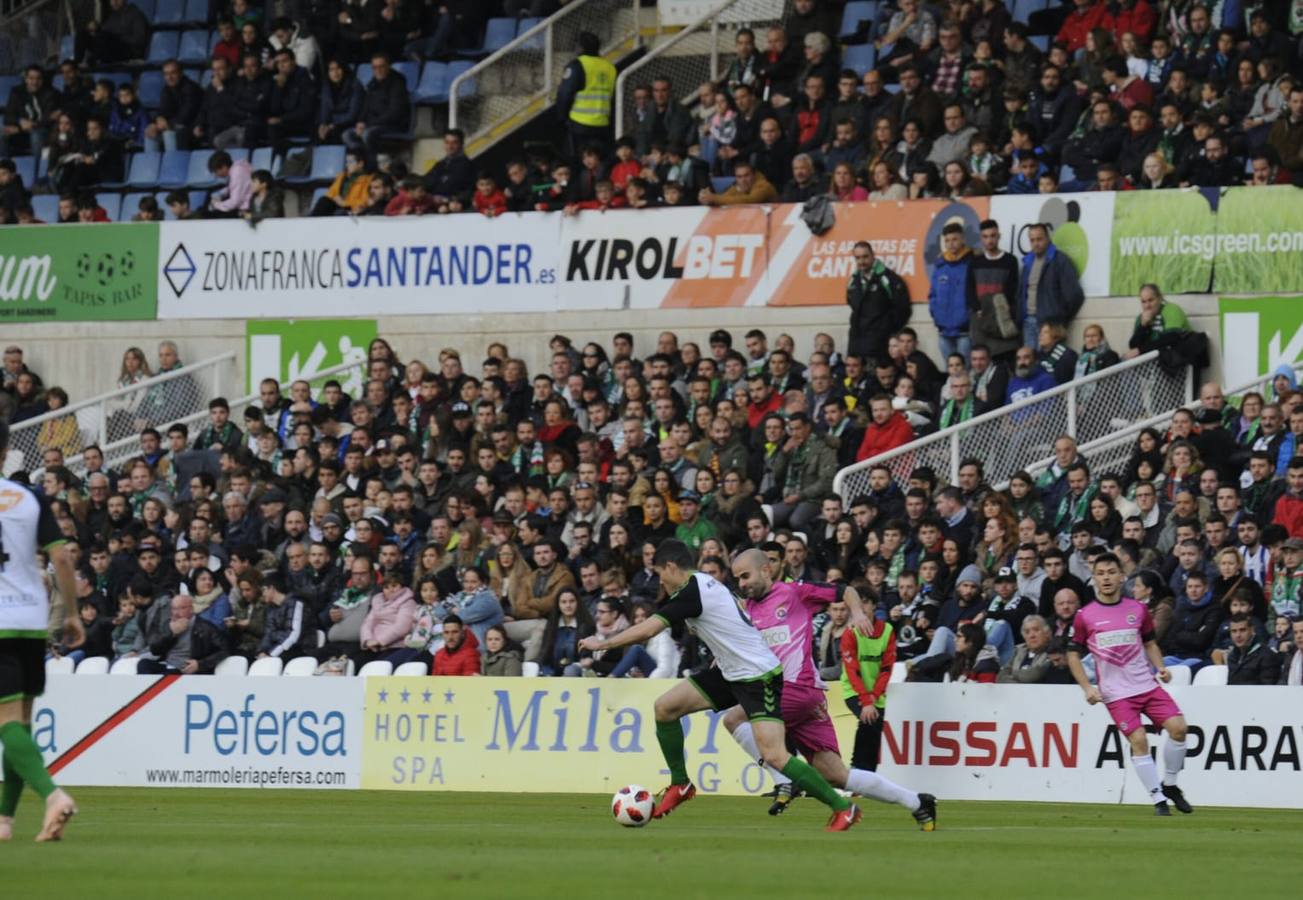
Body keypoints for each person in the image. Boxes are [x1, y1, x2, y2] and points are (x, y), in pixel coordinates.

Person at [578, 540, 864, 831]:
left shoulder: (694, 592)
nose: (661, 584)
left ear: (671, 567)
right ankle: (681, 785)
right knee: (665, 708)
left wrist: (604, 643)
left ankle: (843, 807)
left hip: (758, 676)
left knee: (775, 755)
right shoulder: (702, 585)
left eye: (661, 576)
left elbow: (649, 630)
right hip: (730, 672)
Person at [720, 550, 936, 825]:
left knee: (734, 718)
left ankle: (782, 781)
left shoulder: (795, 593)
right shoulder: (747, 611)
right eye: (737, 578)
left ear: (766, 570)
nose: (742, 583)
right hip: (806, 701)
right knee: (837, 775)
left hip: (797, 687)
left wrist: (857, 613)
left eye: (746, 576)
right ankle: (917, 802)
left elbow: (845, 591)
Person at [0, 421, 82, 842]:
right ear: (6, 449)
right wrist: (71, 613)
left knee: (6, 724)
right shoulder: (30, 498)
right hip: (31, 623)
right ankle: (5, 821)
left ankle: (53, 795)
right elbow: (63, 559)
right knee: (21, 724)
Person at [1067, 553, 1193, 816]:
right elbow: (1072, 654)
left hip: (1147, 686)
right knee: (1139, 739)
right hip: (1117, 695)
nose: (1106, 578)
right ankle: (1158, 799)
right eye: (1101, 573)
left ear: (1122, 576)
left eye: (1111, 572)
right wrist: (1087, 688)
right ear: (1095, 578)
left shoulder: (1137, 610)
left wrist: (1160, 667)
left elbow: (1149, 642)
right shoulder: (1085, 616)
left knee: (1179, 729)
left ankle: (1170, 784)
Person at [1017, 223, 1084, 350]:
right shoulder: (1027, 262)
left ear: (1047, 238)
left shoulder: (1060, 260)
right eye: (1032, 240)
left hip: (1050, 324)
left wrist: (1060, 318)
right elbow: (1021, 293)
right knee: (1031, 363)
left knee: (1049, 363)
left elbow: (1075, 295)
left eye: (1039, 239)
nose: (1036, 243)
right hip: (1028, 322)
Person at [846, 241, 911, 367]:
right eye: (858, 258)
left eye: (865, 256)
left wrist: (886, 328)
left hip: (880, 346)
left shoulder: (887, 278)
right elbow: (851, 304)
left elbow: (903, 308)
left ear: (873, 256)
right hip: (857, 346)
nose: (862, 261)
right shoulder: (853, 281)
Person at [556, 31, 615, 159]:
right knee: (598, 160)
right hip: (602, 124)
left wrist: (562, 117)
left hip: (580, 124)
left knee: (579, 160)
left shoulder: (577, 65)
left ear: (580, 47)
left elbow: (564, 94)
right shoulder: (610, 67)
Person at [927, 222, 974, 362]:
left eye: (955, 239)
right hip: (943, 331)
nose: (951, 244)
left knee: (965, 371)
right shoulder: (940, 265)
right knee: (951, 371)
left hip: (965, 331)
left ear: (963, 239)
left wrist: (970, 317)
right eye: (947, 240)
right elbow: (933, 294)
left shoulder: (972, 263)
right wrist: (935, 315)